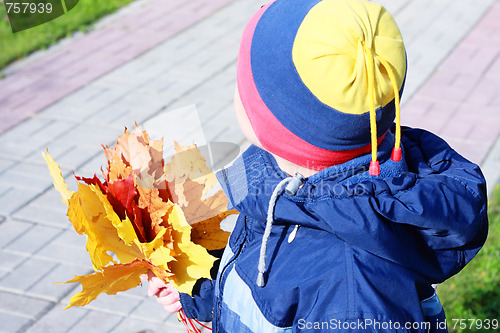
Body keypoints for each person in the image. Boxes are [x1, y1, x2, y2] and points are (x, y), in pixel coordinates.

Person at [147, 0, 489, 331]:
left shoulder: (354, 295)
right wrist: (194, 291)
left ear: (269, 121)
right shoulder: (268, 172)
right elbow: (257, 255)